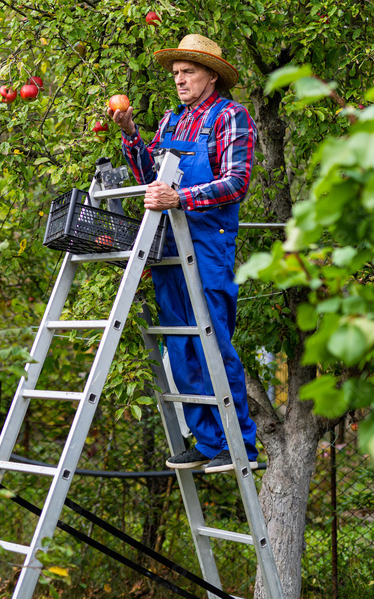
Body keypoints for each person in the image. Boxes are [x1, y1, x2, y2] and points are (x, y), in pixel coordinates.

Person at [109, 33, 258, 473]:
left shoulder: (231, 117)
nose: (179, 79)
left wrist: (182, 199)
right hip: (168, 244)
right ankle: (209, 441)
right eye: (176, 73)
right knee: (179, 343)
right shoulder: (172, 121)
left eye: (187, 71)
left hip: (207, 241)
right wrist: (131, 133)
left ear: (211, 75)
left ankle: (240, 444)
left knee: (214, 339)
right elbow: (150, 173)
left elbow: (237, 182)